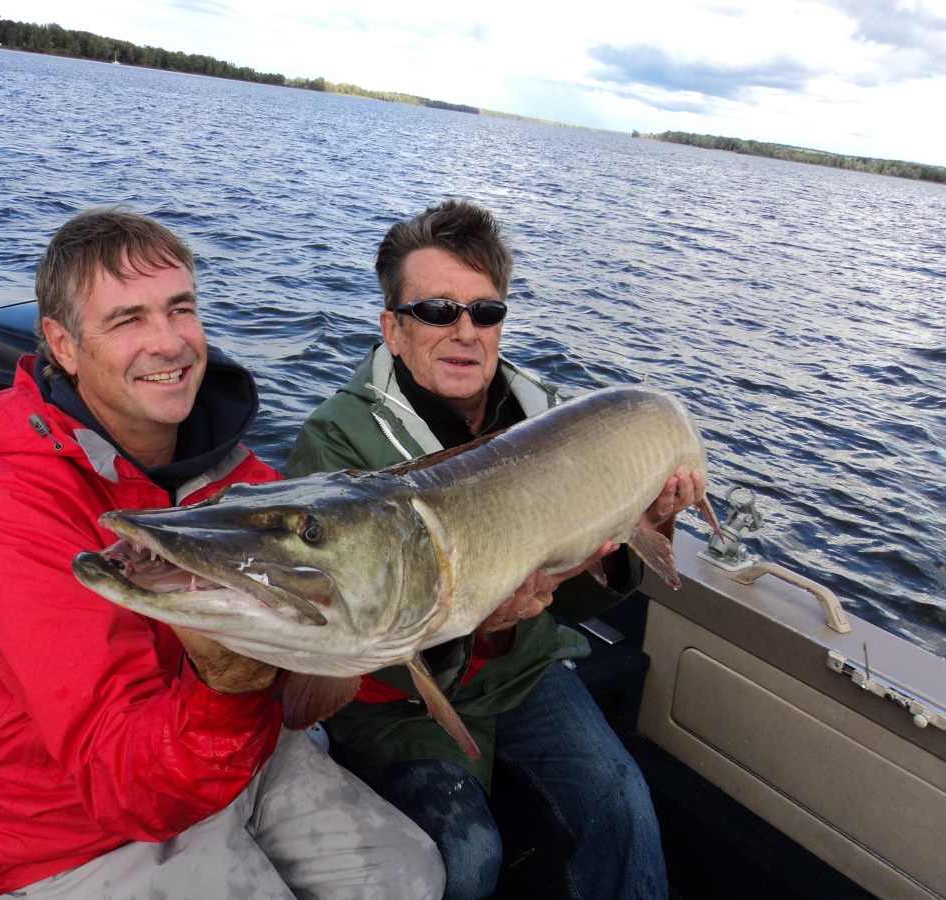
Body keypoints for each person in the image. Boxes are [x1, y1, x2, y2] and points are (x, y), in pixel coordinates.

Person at [0, 207, 444, 900]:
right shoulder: (9, 514)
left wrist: (445, 620)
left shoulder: (238, 481)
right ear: (63, 344)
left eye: (181, 309)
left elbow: (340, 655)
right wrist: (228, 687)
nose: (169, 342)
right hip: (67, 833)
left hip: (236, 751)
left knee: (413, 876)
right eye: (128, 319)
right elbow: (125, 783)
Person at [287, 199, 702, 900]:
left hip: (523, 665)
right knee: (467, 856)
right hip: (398, 698)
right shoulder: (336, 443)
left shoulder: (552, 420)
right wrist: (476, 627)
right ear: (392, 328)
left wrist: (649, 521)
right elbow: (331, 639)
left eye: (485, 312)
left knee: (622, 802)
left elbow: (577, 597)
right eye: (437, 311)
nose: (465, 332)